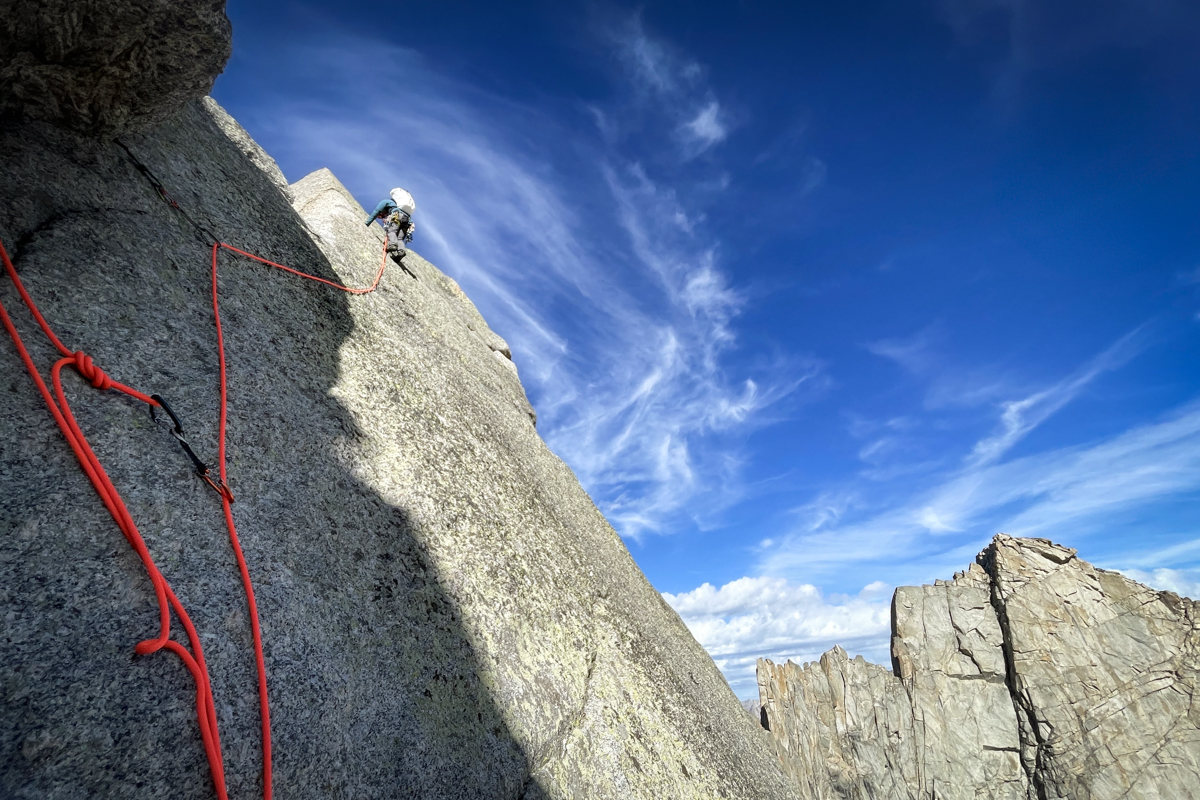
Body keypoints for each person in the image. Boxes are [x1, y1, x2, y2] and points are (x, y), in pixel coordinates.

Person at [365, 187, 417, 259]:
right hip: (408, 221)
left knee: (391, 231)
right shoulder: (401, 207)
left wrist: (367, 224)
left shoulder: (386, 202)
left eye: (383, 215)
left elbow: (376, 211)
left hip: (397, 216)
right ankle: (401, 251)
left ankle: (392, 245)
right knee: (400, 238)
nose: (383, 216)